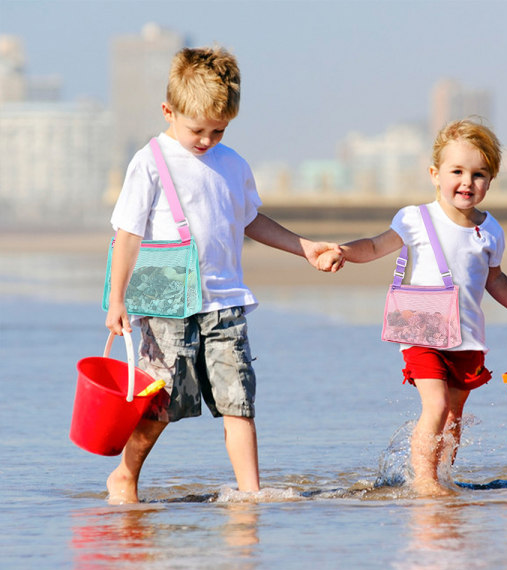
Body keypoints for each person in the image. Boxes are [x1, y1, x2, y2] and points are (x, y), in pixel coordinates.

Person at [105, 46, 341, 504]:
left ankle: (249, 493)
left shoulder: (232, 164)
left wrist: (304, 247)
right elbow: (127, 233)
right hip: (165, 301)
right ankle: (125, 474)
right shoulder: (150, 161)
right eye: (198, 129)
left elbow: (251, 220)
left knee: (240, 400)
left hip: (225, 301)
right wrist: (117, 299)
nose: (207, 140)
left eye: (219, 130)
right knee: (163, 400)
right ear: (168, 111)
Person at [317, 119, 507, 496]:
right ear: (434, 174)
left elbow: (495, 279)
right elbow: (376, 246)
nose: (466, 182)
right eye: (456, 171)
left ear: (490, 181)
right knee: (437, 404)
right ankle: (424, 481)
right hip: (422, 330)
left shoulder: (491, 230)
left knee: (454, 416)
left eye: (479, 174)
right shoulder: (415, 219)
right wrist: (344, 250)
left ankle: (441, 475)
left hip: (468, 337)